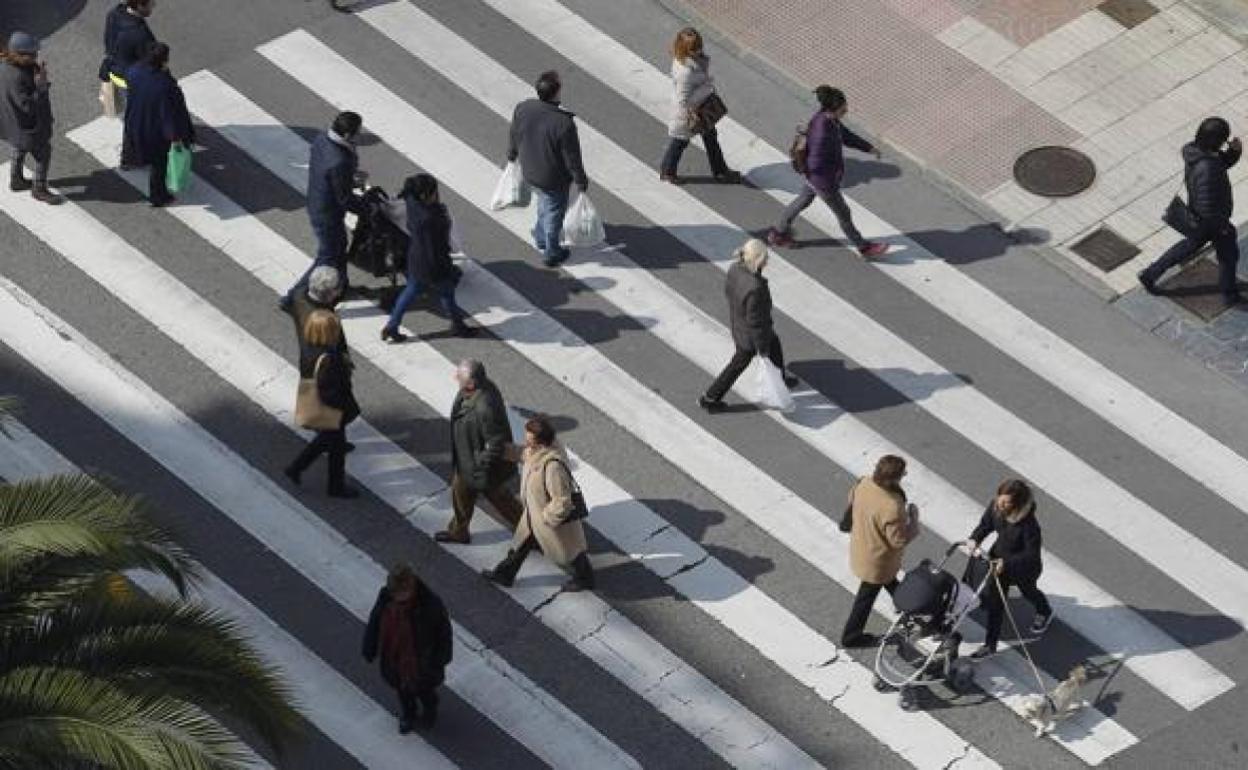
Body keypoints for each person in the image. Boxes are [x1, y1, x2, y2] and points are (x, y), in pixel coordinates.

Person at [768, 86, 887, 258]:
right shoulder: (822, 133)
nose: (847, 110)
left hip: (814, 178)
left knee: (803, 200)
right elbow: (815, 162)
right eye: (843, 108)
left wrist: (869, 148)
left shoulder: (827, 118)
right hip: (823, 181)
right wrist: (828, 183)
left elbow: (846, 136)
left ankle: (778, 234)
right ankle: (864, 247)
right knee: (844, 213)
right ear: (833, 110)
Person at [482, 415, 595, 592]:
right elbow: (523, 454)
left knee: (571, 552)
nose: (526, 442)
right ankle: (504, 575)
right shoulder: (537, 452)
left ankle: (586, 579)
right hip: (533, 515)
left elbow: (562, 502)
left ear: (541, 443)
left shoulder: (552, 467)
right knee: (520, 546)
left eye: (529, 440)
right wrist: (501, 450)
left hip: (547, 520)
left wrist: (546, 519)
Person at [1139, 117, 1243, 305]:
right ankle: (1229, 294)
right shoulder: (1207, 166)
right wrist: (1222, 226)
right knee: (1229, 254)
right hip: (1212, 221)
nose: (1223, 144)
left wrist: (1234, 152)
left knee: (1186, 248)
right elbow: (1206, 202)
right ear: (1214, 141)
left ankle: (1150, 274)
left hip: (1201, 219)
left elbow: (1221, 163)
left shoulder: (1197, 152)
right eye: (1223, 140)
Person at [697, 238, 798, 413]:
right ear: (757, 260)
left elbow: (729, 293)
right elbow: (756, 323)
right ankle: (710, 397)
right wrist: (761, 348)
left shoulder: (735, 268)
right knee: (739, 364)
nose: (768, 261)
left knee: (775, 345)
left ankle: (780, 378)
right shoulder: (756, 287)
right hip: (750, 336)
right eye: (765, 258)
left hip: (738, 323)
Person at [281, 111, 367, 311]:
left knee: (339, 246)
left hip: (318, 201)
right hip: (327, 212)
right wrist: (366, 209)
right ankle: (292, 297)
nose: (359, 136)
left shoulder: (323, 138)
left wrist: (349, 178)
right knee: (327, 256)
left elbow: (325, 172)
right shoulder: (340, 161)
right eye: (357, 133)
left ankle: (342, 285)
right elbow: (344, 198)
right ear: (347, 135)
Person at [506, 70, 588, 268]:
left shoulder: (523, 108)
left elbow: (514, 133)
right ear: (556, 93)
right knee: (554, 212)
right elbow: (572, 159)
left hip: (530, 170)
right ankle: (551, 250)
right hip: (552, 178)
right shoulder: (564, 123)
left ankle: (541, 235)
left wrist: (511, 154)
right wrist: (581, 180)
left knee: (545, 202)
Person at [380, 173, 477, 342]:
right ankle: (458, 325)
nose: (437, 195)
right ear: (426, 195)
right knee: (447, 295)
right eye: (434, 192)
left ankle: (392, 325)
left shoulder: (412, 203)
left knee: (409, 292)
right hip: (435, 264)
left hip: (416, 261)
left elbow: (408, 189)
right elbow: (444, 244)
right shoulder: (434, 218)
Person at [435, 360, 523, 544]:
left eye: (459, 377)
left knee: (501, 499)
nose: (455, 378)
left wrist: (478, 463)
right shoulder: (474, 390)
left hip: (482, 467)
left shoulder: (485, 407)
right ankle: (459, 530)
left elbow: (496, 443)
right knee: (460, 492)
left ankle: (532, 534)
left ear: (471, 383)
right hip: (468, 459)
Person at [963, 479, 1052, 659]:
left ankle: (1044, 611)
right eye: (999, 499)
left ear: (1017, 504)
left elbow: (1031, 554)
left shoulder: (1029, 527)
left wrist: (1008, 562)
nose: (1000, 504)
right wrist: (975, 539)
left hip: (1023, 568)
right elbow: (985, 525)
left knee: (1029, 592)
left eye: (1006, 502)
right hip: (997, 561)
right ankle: (990, 646)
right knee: (996, 604)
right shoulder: (996, 507)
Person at [841, 454, 920, 647]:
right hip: (878, 562)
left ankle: (912, 611)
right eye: (903, 474)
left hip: (861, 549)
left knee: (891, 583)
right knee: (865, 598)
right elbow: (898, 541)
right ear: (894, 478)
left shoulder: (864, 483)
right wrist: (914, 521)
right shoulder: (892, 507)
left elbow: (851, 499)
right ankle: (851, 637)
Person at [362, 563, 453, 733]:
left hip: (422, 662)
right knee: (403, 691)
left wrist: (441, 658)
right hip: (394, 657)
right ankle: (409, 714)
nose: (399, 597)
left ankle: (429, 710)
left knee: (424, 690)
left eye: (402, 593)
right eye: (396, 593)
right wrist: (369, 647)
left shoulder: (430, 604)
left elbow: (444, 633)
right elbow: (374, 622)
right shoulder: (386, 598)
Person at [284, 310, 361, 498]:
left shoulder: (310, 348)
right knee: (336, 449)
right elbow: (331, 390)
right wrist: (342, 409)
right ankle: (336, 487)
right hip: (331, 410)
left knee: (327, 440)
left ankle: (296, 468)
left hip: (319, 403)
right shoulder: (330, 359)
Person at [658, 27, 739, 185]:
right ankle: (667, 170)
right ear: (685, 49)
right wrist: (706, 88)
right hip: (689, 114)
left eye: (699, 45)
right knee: (680, 141)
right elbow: (684, 100)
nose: (699, 50)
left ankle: (721, 171)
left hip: (700, 109)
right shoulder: (685, 72)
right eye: (694, 48)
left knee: (709, 138)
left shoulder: (689, 60)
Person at [123, 42, 192, 207]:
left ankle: (129, 161)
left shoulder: (133, 72)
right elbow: (168, 115)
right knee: (159, 164)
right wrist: (175, 138)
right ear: (163, 61)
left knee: (135, 145)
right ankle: (158, 196)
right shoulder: (165, 85)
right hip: (154, 131)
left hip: (134, 120)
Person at [0, 32, 60, 204]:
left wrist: (35, 73)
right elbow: (27, 107)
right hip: (28, 127)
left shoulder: (5, 67)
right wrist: (41, 87)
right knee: (44, 154)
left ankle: (16, 179)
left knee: (19, 149)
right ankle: (39, 188)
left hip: (10, 124)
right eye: (30, 54)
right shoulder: (16, 77)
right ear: (17, 54)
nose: (35, 57)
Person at [100, 0, 156, 168]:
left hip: (115, 71)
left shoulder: (114, 14)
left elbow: (107, 41)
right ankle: (130, 157)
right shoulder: (140, 33)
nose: (153, 7)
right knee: (136, 119)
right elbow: (149, 62)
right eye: (150, 4)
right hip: (132, 81)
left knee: (132, 116)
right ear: (139, 5)